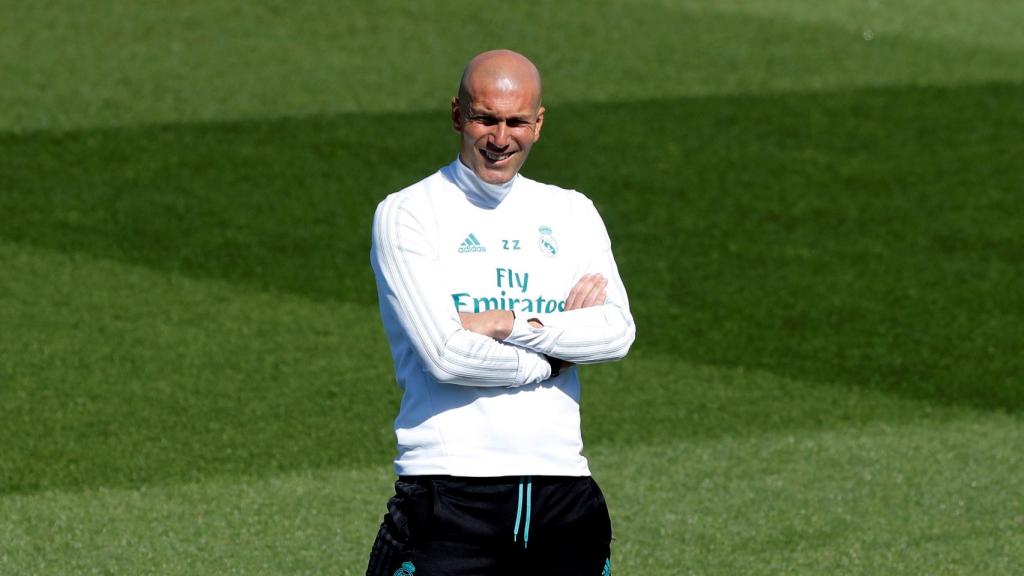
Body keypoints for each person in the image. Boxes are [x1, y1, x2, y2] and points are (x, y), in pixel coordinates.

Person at [367, 49, 635, 576]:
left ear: (539, 123)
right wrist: (555, 355)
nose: (499, 137)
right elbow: (447, 356)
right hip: (450, 495)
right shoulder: (409, 213)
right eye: (485, 118)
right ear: (456, 116)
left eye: (516, 121)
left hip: (564, 495)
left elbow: (615, 332)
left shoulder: (571, 212)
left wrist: (510, 325)